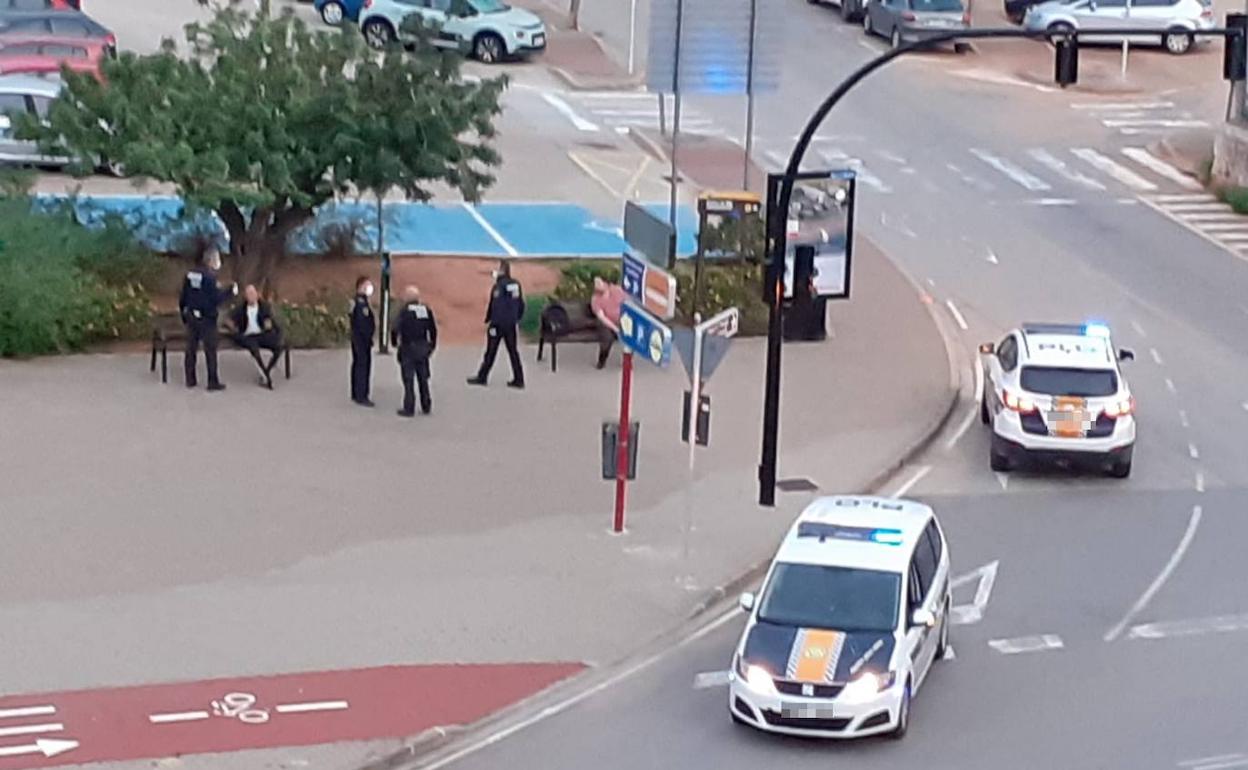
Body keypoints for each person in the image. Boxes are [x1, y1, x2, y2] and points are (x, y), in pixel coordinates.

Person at [178, 246, 237, 391]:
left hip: (191, 315)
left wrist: (183, 313)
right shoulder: (210, 278)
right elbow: (216, 299)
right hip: (206, 318)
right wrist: (230, 291)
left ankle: (190, 379)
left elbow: (183, 295)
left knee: (191, 348)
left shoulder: (190, 274)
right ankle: (212, 381)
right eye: (217, 259)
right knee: (210, 349)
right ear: (210, 261)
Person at [467, 260, 525, 389]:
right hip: (511, 324)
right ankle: (519, 378)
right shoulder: (516, 284)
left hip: (499, 324)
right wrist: (517, 318)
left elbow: (496, 305)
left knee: (491, 351)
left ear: (502, 271)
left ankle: (482, 376)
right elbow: (520, 304)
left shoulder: (499, 286)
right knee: (513, 351)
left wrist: (491, 321)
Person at [390, 285, 438, 417]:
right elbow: (433, 329)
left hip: (408, 348)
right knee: (423, 378)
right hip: (422, 348)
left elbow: (395, 328)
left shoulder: (405, 311)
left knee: (408, 379)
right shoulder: (425, 310)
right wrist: (432, 345)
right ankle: (426, 404)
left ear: (407, 298)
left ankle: (409, 407)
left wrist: (394, 342)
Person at [229, 284, 284, 389]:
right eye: (249, 294)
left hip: (261, 333)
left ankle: (268, 370)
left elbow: (269, 320)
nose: (251, 296)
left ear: (257, 295)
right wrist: (232, 326)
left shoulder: (264, 307)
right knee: (254, 348)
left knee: (278, 346)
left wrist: (271, 327)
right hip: (247, 335)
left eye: (253, 294)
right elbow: (230, 320)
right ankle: (265, 376)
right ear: (245, 296)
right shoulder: (241, 309)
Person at [589, 276, 627, 369]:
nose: (596, 286)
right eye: (595, 284)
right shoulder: (595, 299)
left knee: (629, 338)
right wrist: (615, 329)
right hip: (606, 322)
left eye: (598, 283)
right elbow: (602, 317)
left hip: (622, 319)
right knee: (607, 338)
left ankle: (627, 361)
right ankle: (602, 361)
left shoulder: (617, 291)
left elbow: (628, 303)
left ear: (606, 284)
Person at [349, 275, 376, 407]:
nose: (369, 288)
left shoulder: (356, 301)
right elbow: (362, 323)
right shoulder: (361, 303)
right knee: (363, 366)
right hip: (361, 340)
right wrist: (368, 338)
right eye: (367, 285)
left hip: (356, 339)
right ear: (361, 287)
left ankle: (355, 392)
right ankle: (362, 395)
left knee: (357, 364)